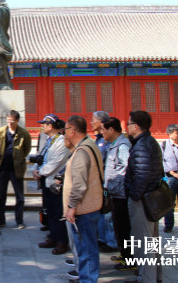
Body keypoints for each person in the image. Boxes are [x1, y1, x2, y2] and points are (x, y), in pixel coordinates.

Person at [63, 115, 104, 283]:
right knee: (90, 246)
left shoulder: (81, 152)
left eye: (66, 130)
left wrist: (71, 206)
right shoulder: (90, 145)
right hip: (93, 205)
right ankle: (88, 277)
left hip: (83, 208)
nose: (64, 134)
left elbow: (79, 184)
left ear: (72, 131)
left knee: (86, 248)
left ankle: (87, 279)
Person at [125, 110, 163, 283]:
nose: (127, 127)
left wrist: (134, 195)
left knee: (143, 242)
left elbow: (142, 174)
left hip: (142, 199)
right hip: (149, 196)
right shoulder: (147, 141)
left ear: (136, 126)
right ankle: (153, 277)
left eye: (129, 123)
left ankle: (146, 278)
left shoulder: (142, 145)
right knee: (151, 243)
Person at [33, 114, 70, 255]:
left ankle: (61, 240)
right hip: (46, 180)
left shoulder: (61, 141)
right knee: (50, 211)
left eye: (44, 124)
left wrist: (41, 172)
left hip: (55, 181)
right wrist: (36, 170)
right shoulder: (49, 140)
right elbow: (42, 157)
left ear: (50, 126)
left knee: (57, 211)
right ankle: (53, 236)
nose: (42, 126)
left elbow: (56, 162)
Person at [101, 117, 134, 270]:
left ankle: (130, 259)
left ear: (111, 130)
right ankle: (124, 253)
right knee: (119, 226)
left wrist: (115, 183)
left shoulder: (122, 146)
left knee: (124, 227)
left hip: (121, 194)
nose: (102, 133)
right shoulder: (114, 144)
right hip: (115, 192)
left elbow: (127, 169)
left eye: (103, 129)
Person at [0, 110, 32, 229]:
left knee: (19, 197)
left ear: (17, 120)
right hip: (2, 168)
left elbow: (27, 149)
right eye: (8, 120)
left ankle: (19, 221)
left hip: (16, 169)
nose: (10, 122)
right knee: (0, 196)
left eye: (12, 120)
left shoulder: (23, 133)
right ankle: (0, 220)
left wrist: (18, 158)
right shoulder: (1, 131)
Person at [91, 111, 117, 254]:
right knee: (101, 211)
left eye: (93, 120)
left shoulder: (107, 140)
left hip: (108, 181)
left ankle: (112, 241)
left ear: (101, 122)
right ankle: (102, 238)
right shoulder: (98, 139)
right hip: (99, 181)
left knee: (108, 214)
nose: (91, 123)